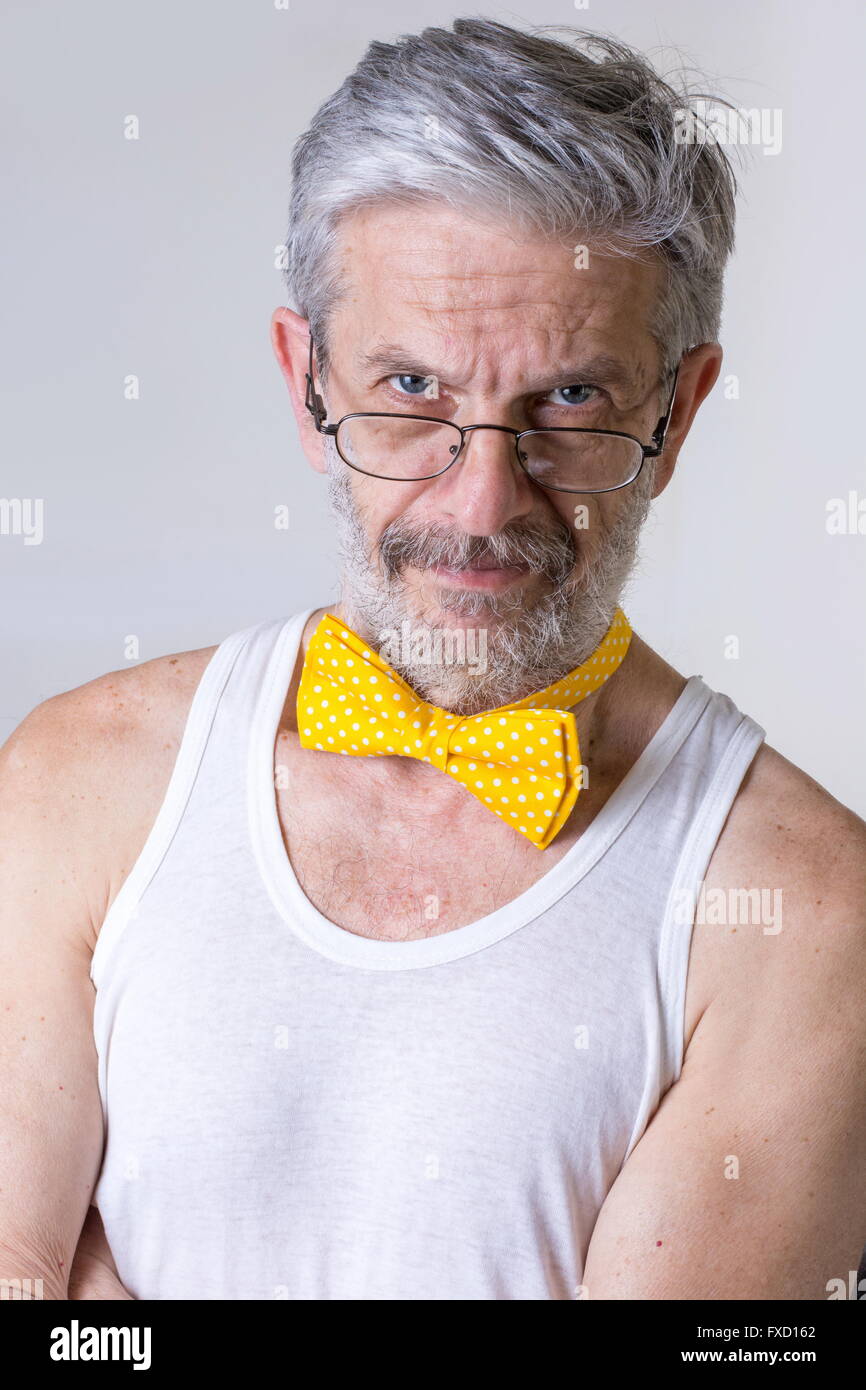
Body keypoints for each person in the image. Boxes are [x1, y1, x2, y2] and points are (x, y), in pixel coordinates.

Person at [2, 18, 864, 1303]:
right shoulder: (75, 777)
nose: (478, 505)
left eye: (567, 402)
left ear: (674, 414)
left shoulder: (809, 916)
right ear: (305, 383)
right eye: (408, 387)